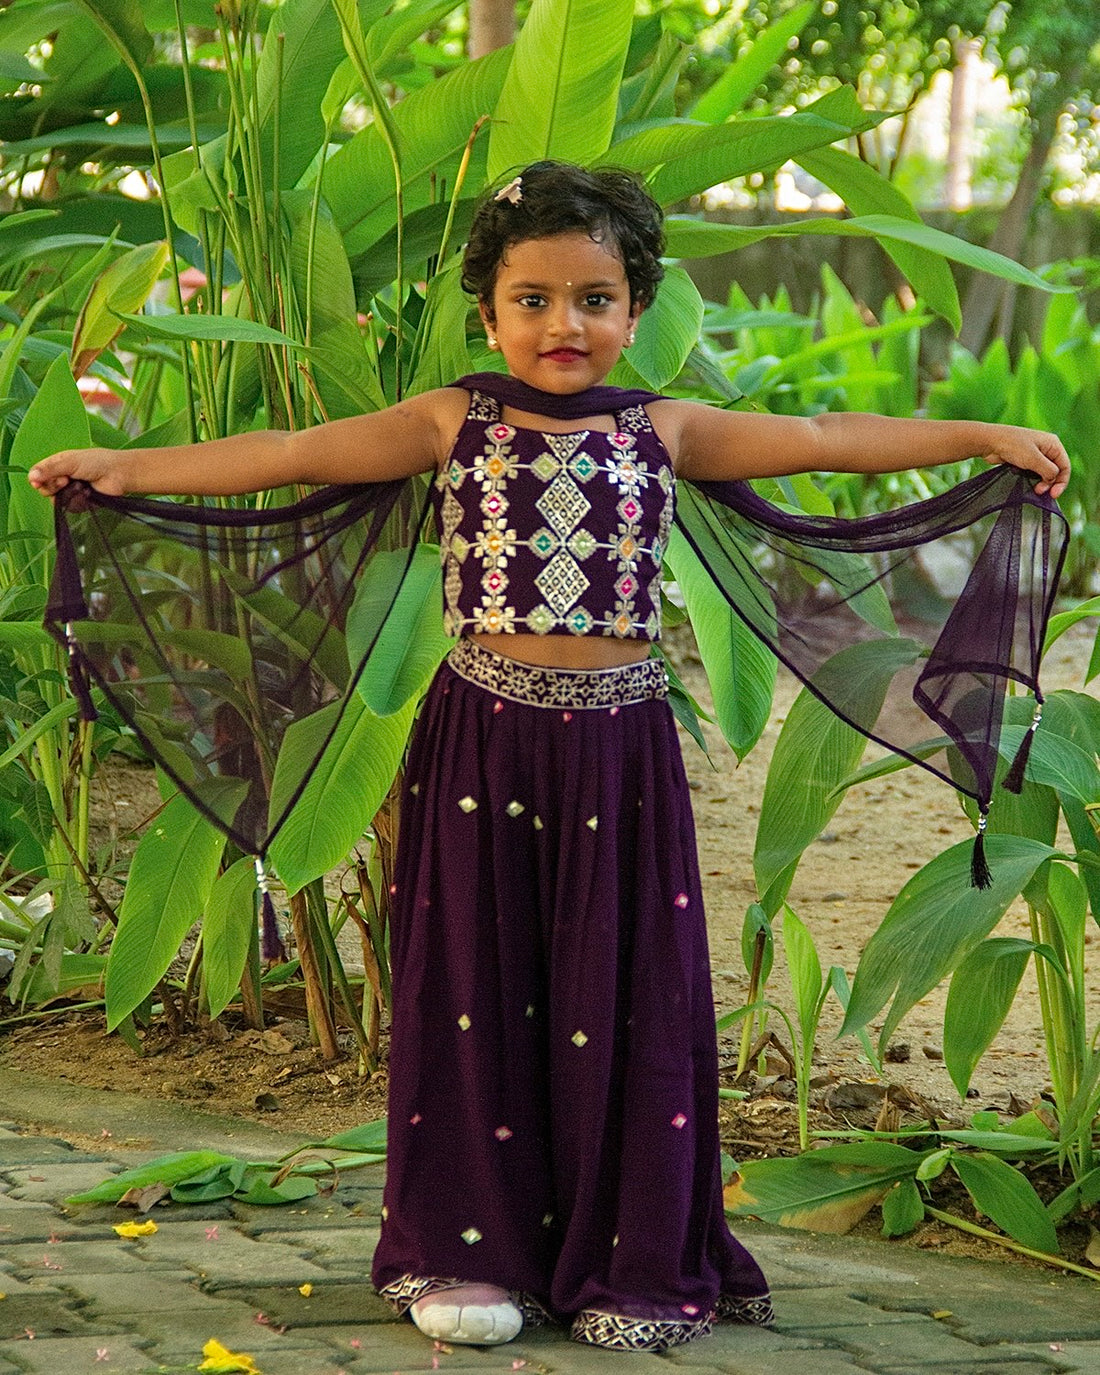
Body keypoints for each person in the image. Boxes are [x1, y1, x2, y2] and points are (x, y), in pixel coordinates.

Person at [29, 162, 1070, 1354]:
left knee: (621, 990)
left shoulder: (664, 430)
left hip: (620, 751)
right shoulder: (449, 421)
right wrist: (127, 470)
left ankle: (631, 1258)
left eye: (592, 297)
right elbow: (295, 452)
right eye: (530, 298)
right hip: (481, 735)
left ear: (635, 310)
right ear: (488, 312)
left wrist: (979, 430)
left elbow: (827, 435)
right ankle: (463, 1251)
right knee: (473, 988)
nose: (560, 324)